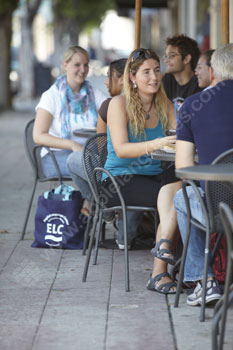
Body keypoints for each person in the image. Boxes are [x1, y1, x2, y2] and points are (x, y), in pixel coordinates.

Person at [102, 48, 181, 293]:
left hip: (154, 176)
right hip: (119, 180)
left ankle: (179, 263)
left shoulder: (165, 104)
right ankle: (160, 273)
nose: (154, 77)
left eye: (157, 70)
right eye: (146, 72)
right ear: (133, 77)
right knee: (178, 201)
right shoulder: (118, 104)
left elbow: (179, 139)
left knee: (186, 188)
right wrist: (157, 144)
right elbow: (122, 149)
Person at [174, 43, 233, 306]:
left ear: (212, 71)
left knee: (181, 197)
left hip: (217, 210)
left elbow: (183, 168)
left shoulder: (193, 104)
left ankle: (204, 280)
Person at [33, 45, 107, 182]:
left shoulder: (93, 93)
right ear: (65, 65)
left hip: (87, 154)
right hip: (55, 157)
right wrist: (72, 145)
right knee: (98, 168)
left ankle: (89, 202)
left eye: (86, 65)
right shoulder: (51, 96)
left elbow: (111, 109)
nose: (83, 70)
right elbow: (38, 136)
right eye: (77, 65)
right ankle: (93, 202)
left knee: (109, 164)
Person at [67, 58, 126, 217]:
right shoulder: (152, 104)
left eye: (109, 77)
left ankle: (100, 204)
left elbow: (101, 148)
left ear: (122, 80)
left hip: (112, 174)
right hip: (142, 172)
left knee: (72, 159)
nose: (106, 82)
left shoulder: (109, 105)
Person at [162, 34, 202, 116]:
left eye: (171, 56)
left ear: (186, 59)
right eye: (166, 56)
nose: (166, 60)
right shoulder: (167, 80)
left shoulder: (200, 83)